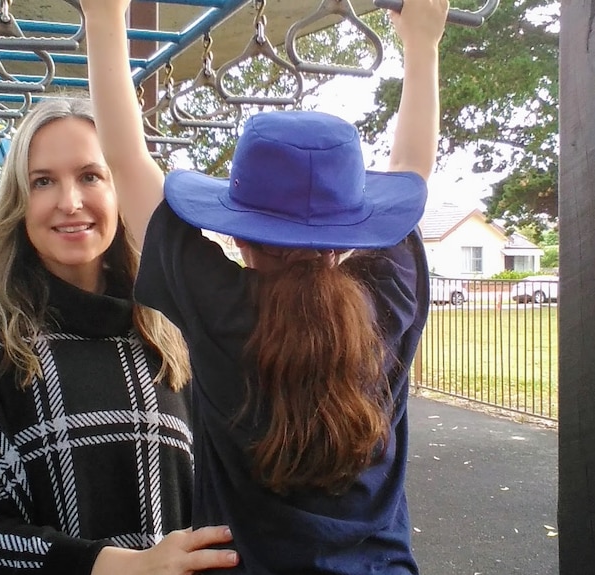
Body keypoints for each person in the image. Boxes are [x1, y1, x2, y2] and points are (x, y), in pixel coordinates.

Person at [81, 0, 449, 572]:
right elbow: (411, 176)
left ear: (241, 237)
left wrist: (105, 18)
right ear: (348, 232)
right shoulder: (388, 300)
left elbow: (127, 162)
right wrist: (422, 45)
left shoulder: (222, 308)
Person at [0, 97, 240, 575]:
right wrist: (112, 566)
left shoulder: (171, 334)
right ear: (19, 202)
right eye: (43, 181)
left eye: (90, 175)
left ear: (119, 189)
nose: (69, 202)